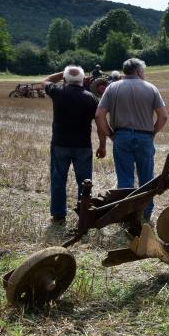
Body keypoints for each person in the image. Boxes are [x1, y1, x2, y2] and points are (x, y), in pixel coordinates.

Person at [95, 58, 168, 220]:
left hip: (121, 136)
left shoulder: (112, 88)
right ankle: (146, 214)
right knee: (146, 179)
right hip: (145, 137)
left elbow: (99, 115)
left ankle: (126, 216)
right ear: (139, 71)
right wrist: (152, 134)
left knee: (125, 179)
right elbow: (163, 116)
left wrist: (111, 134)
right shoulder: (151, 88)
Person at [42, 65, 106, 223]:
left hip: (60, 144)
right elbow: (100, 125)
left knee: (58, 180)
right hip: (83, 146)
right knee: (85, 183)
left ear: (64, 79)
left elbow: (46, 80)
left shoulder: (58, 92)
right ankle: (83, 215)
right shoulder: (91, 98)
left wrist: (64, 72)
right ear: (83, 80)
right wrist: (102, 145)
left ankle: (58, 215)